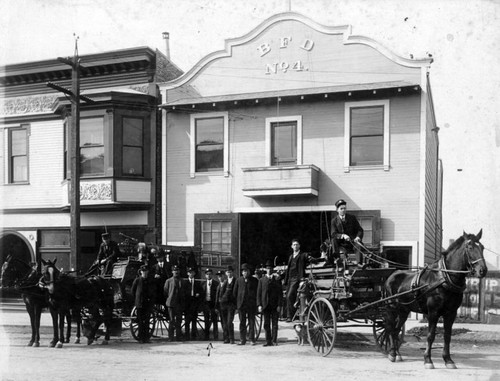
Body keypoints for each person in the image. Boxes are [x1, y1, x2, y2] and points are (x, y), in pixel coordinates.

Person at [283, 239, 310, 323]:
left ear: (299, 246)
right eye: (294, 245)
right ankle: (291, 315)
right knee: (288, 296)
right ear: (292, 246)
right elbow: (288, 269)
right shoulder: (291, 256)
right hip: (290, 279)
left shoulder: (302, 255)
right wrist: (285, 279)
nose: (295, 246)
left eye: (297, 244)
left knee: (290, 296)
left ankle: (290, 316)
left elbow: (307, 256)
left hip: (297, 279)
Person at [257, 260, 282, 346]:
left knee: (275, 324)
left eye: (271, 268)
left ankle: (274, 341)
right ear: (265, 269)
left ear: (273, 269)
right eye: (267, 268)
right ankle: (268, 341)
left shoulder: (277, 280)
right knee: (266, 324)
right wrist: (259, 304)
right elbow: (259, 293)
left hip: (274, 305)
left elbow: (280, 294)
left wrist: (279, 305)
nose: (269, 270)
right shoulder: (261, 280)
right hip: (265, 305)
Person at [331, 199, 364, 263]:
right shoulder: (334, 221)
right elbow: (333, 234)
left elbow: (360, 230)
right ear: (337, 210)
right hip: (341, 243)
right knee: (333, 240)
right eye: (341, 209)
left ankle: (360, 263)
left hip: (352, 242)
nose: (343, 210)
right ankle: (337, 259)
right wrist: (342, 236)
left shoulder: (352, 218)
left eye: (344, 208)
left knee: (358, 245)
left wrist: (358, 237)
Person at [233, 263, 258, 345]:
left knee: (251, 322)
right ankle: (242, 339)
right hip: (241, 305)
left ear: (249, 272)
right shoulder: (238, 280)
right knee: (242, 323)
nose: (245, 273)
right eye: (244, 271)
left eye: (247, 271)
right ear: (241, 272)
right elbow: (235, 293)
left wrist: (257, 304)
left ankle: (251, 339)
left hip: (251, 305)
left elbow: (257, 293)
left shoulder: (254, 280)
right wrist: (237, 305)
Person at [131, 265, 154, 343]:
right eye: (143, 271)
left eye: (146, 271)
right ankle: (141, 338)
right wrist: (137, 300)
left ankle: (146, 338)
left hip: (147, 304)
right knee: (140, 321)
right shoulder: (137, 280)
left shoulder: (150, 281)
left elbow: (152, 292)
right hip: (140, 304)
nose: (145, 273)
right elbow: (133, 291)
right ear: (141, 272)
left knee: (147, 321)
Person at [163, 265, 186, 341]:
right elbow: (165, 292)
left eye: (177, 270)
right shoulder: (168, 281)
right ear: (172, 272)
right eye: (174, 270)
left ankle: (178, 336)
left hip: (179, 303)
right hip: (171, 303)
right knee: (172, 320)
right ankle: (171, 337)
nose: (176, 272)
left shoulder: (182, 281)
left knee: (179, 320)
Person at [219, 265, 236, 344]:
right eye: (228, 272)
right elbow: (221, 293)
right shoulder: (225, 282)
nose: (229, 274)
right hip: (224, 305)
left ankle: (232, 338)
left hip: (231, 305)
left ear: (233, 272)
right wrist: (221, 300)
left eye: (230, 272)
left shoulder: (236, 281)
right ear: (226, 273)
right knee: (224, 322)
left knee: (229, 322)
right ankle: (226, 338)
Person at [201, 268, 219, 341]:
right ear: (205, 275)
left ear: (212, 275)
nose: (208, 275)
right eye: (207, 274)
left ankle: (215, 335)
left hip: (213, 304)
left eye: (210, 274)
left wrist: (216, 305)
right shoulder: (203, 284)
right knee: (206, 320)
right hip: (206, 304)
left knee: (214, 320)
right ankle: (206, 336)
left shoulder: (216, 284)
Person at [185, 267, 202, 340]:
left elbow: (201, 291)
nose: (191, 274)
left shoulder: (197, 282)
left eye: (192, 272)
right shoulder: (185, 282)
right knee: (187, 320)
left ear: (194, 274)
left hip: (194, 301)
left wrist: (198, 294)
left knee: (194, 319)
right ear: (187, 273)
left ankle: (193, 335)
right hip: (187, 302)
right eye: (189, 272)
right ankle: (186, 335)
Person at [215, 270, 225, 340]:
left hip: (226, 306)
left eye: (221, 276)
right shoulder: (218, 286)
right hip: (220, 306)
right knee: (222, 321)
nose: (220, 278)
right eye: (219, 276)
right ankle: (225, 336)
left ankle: (228, 337)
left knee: (227, 322)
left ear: (224, 276)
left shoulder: (226, 284)